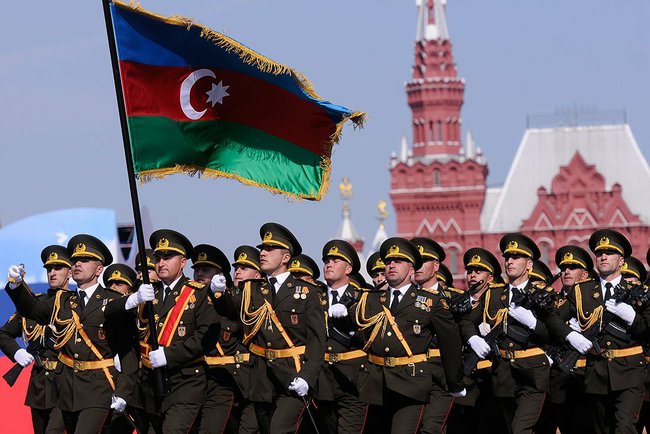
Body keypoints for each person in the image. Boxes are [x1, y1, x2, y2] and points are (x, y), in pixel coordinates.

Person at [6, 234, 139, 433]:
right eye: (75, 260)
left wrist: (124, 393)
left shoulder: (112, 300)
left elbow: (129, 351)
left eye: (85, 260)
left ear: (99, 269)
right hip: (66, 388)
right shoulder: (63, 301)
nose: (77, 264)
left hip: (98, 387)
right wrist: (16, 285)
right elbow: (32, 310)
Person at [211, 223, 325, 434]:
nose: (262, 253)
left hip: (294, 372)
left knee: (279, 429)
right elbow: (229, 308)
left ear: (285, 257)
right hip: (261, 375)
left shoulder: (307, 292)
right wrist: (217, 292)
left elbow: (317, 342)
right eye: (262, 248)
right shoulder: (251, 289)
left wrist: (307, 377)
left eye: (270, 249)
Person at [106, 229, 220, 433]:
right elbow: (109, 313)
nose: (161, 263)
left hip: (186, 380)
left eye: (168, 258)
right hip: (150, 382)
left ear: (183, 262)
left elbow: (205, 338)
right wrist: (133, 299)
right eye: (158, 258)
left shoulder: (199, 293)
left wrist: (169, 355)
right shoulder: (149, 292)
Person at [355, 237, 465, 434]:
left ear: (412, 270)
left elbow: (451, 343)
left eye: (398, 262)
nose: (391, 266)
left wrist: (454, 382)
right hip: (375, 383)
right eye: (388, 262)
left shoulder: (430, 302)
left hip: (410, 383)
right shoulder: (370, 299)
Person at [545, 229, 648, 434]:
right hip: (596, 373)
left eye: (609, 252)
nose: (603, 256)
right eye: (600, 253)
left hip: (630, 372)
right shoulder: (581, 291)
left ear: (621, 261)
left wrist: (633, 317)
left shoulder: (637, 292)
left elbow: (647, 331)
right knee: (601, 428)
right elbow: (552, 317)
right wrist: (570, 334)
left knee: (625, 426)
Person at [462, 233, 551, 434]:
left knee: (521, 429)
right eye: (507, 257)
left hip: (533, 373)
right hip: (503, 374)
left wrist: (532, 322)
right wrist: (473, 337)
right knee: (509, 428)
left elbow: (553, 333)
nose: (510, 261)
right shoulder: (493, 295)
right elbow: (467, 319)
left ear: (529, 264)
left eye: (516, 257)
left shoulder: (540, 296)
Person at [0, 245, 71, 434]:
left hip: (68, 384)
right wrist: (17, 352)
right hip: (39, 386)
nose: (52, 273)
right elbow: (3, 333)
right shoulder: (32, 304)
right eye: (49, 269)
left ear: (70, 272)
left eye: (58, 268)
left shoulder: (75, 304)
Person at [535, 245, 593, 434]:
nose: (566, 271)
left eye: (572, 267)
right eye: (563, 268)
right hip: (557, 378)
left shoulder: (596, 302)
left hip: (587, 377)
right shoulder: (550, 303)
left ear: (584, 275)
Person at [449, 247, 507, 434]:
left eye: (478, 271)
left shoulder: (499, 301)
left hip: (491, 375)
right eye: (470, 271)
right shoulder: (459, 301)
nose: (472, 275)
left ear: (490, 278)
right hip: (466, 375)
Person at [312, 239, 368, 434]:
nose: (329, 264)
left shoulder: (363, 298)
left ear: (348, 268)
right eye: (327, 260)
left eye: (336, 260)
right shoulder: (312, 298)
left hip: (353, 379)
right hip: (322, 381)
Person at [410, 237, 455, 434]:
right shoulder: (403, 300)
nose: (418, 267)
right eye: (415, 262)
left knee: (431, 428)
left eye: (423, 262)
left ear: (436, 265)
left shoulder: (454, 299)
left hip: (442, 373)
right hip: (410, 375)